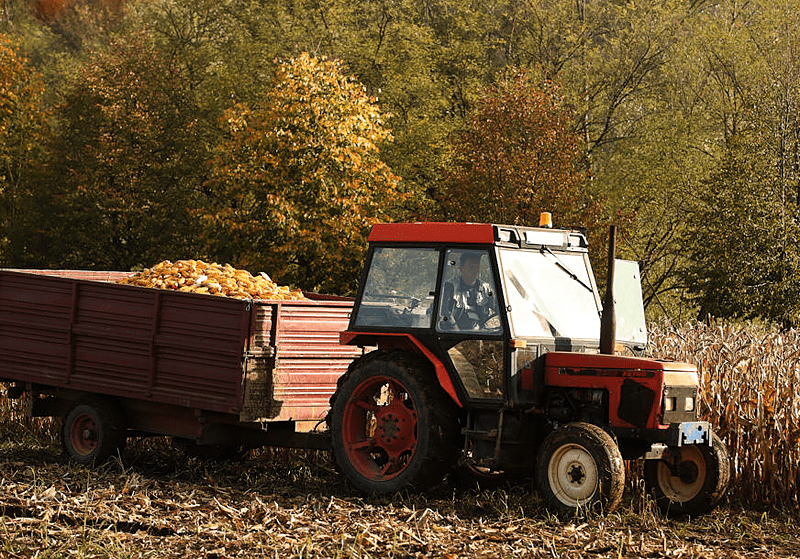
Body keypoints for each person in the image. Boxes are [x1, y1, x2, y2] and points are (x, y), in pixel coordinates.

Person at [440, 252, 498, 331]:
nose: (474, 271)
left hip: (480, 330)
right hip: (454, 331)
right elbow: (445, 313)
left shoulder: (486, 288)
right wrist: (456, 330)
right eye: (471, 267)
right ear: (461, 268)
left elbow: (497, 308)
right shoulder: (450, 287)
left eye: (476, 267)